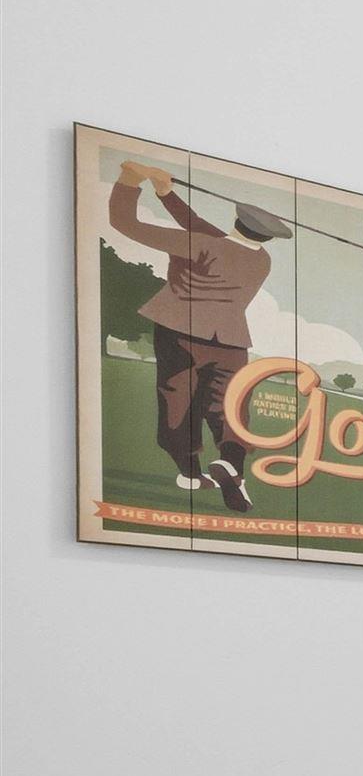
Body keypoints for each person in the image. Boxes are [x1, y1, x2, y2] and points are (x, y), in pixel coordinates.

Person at [107, 159, 285, 514]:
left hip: (180, 334)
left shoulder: (198, 244)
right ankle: (231, 465)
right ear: (266, 237)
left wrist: (130, 179)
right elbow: (205, 230)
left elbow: (124, 223)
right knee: (229, 406)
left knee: (177, 403)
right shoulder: (261, 260)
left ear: (236, 222)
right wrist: (166, 194)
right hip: (231, 343)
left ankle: (190, 473)